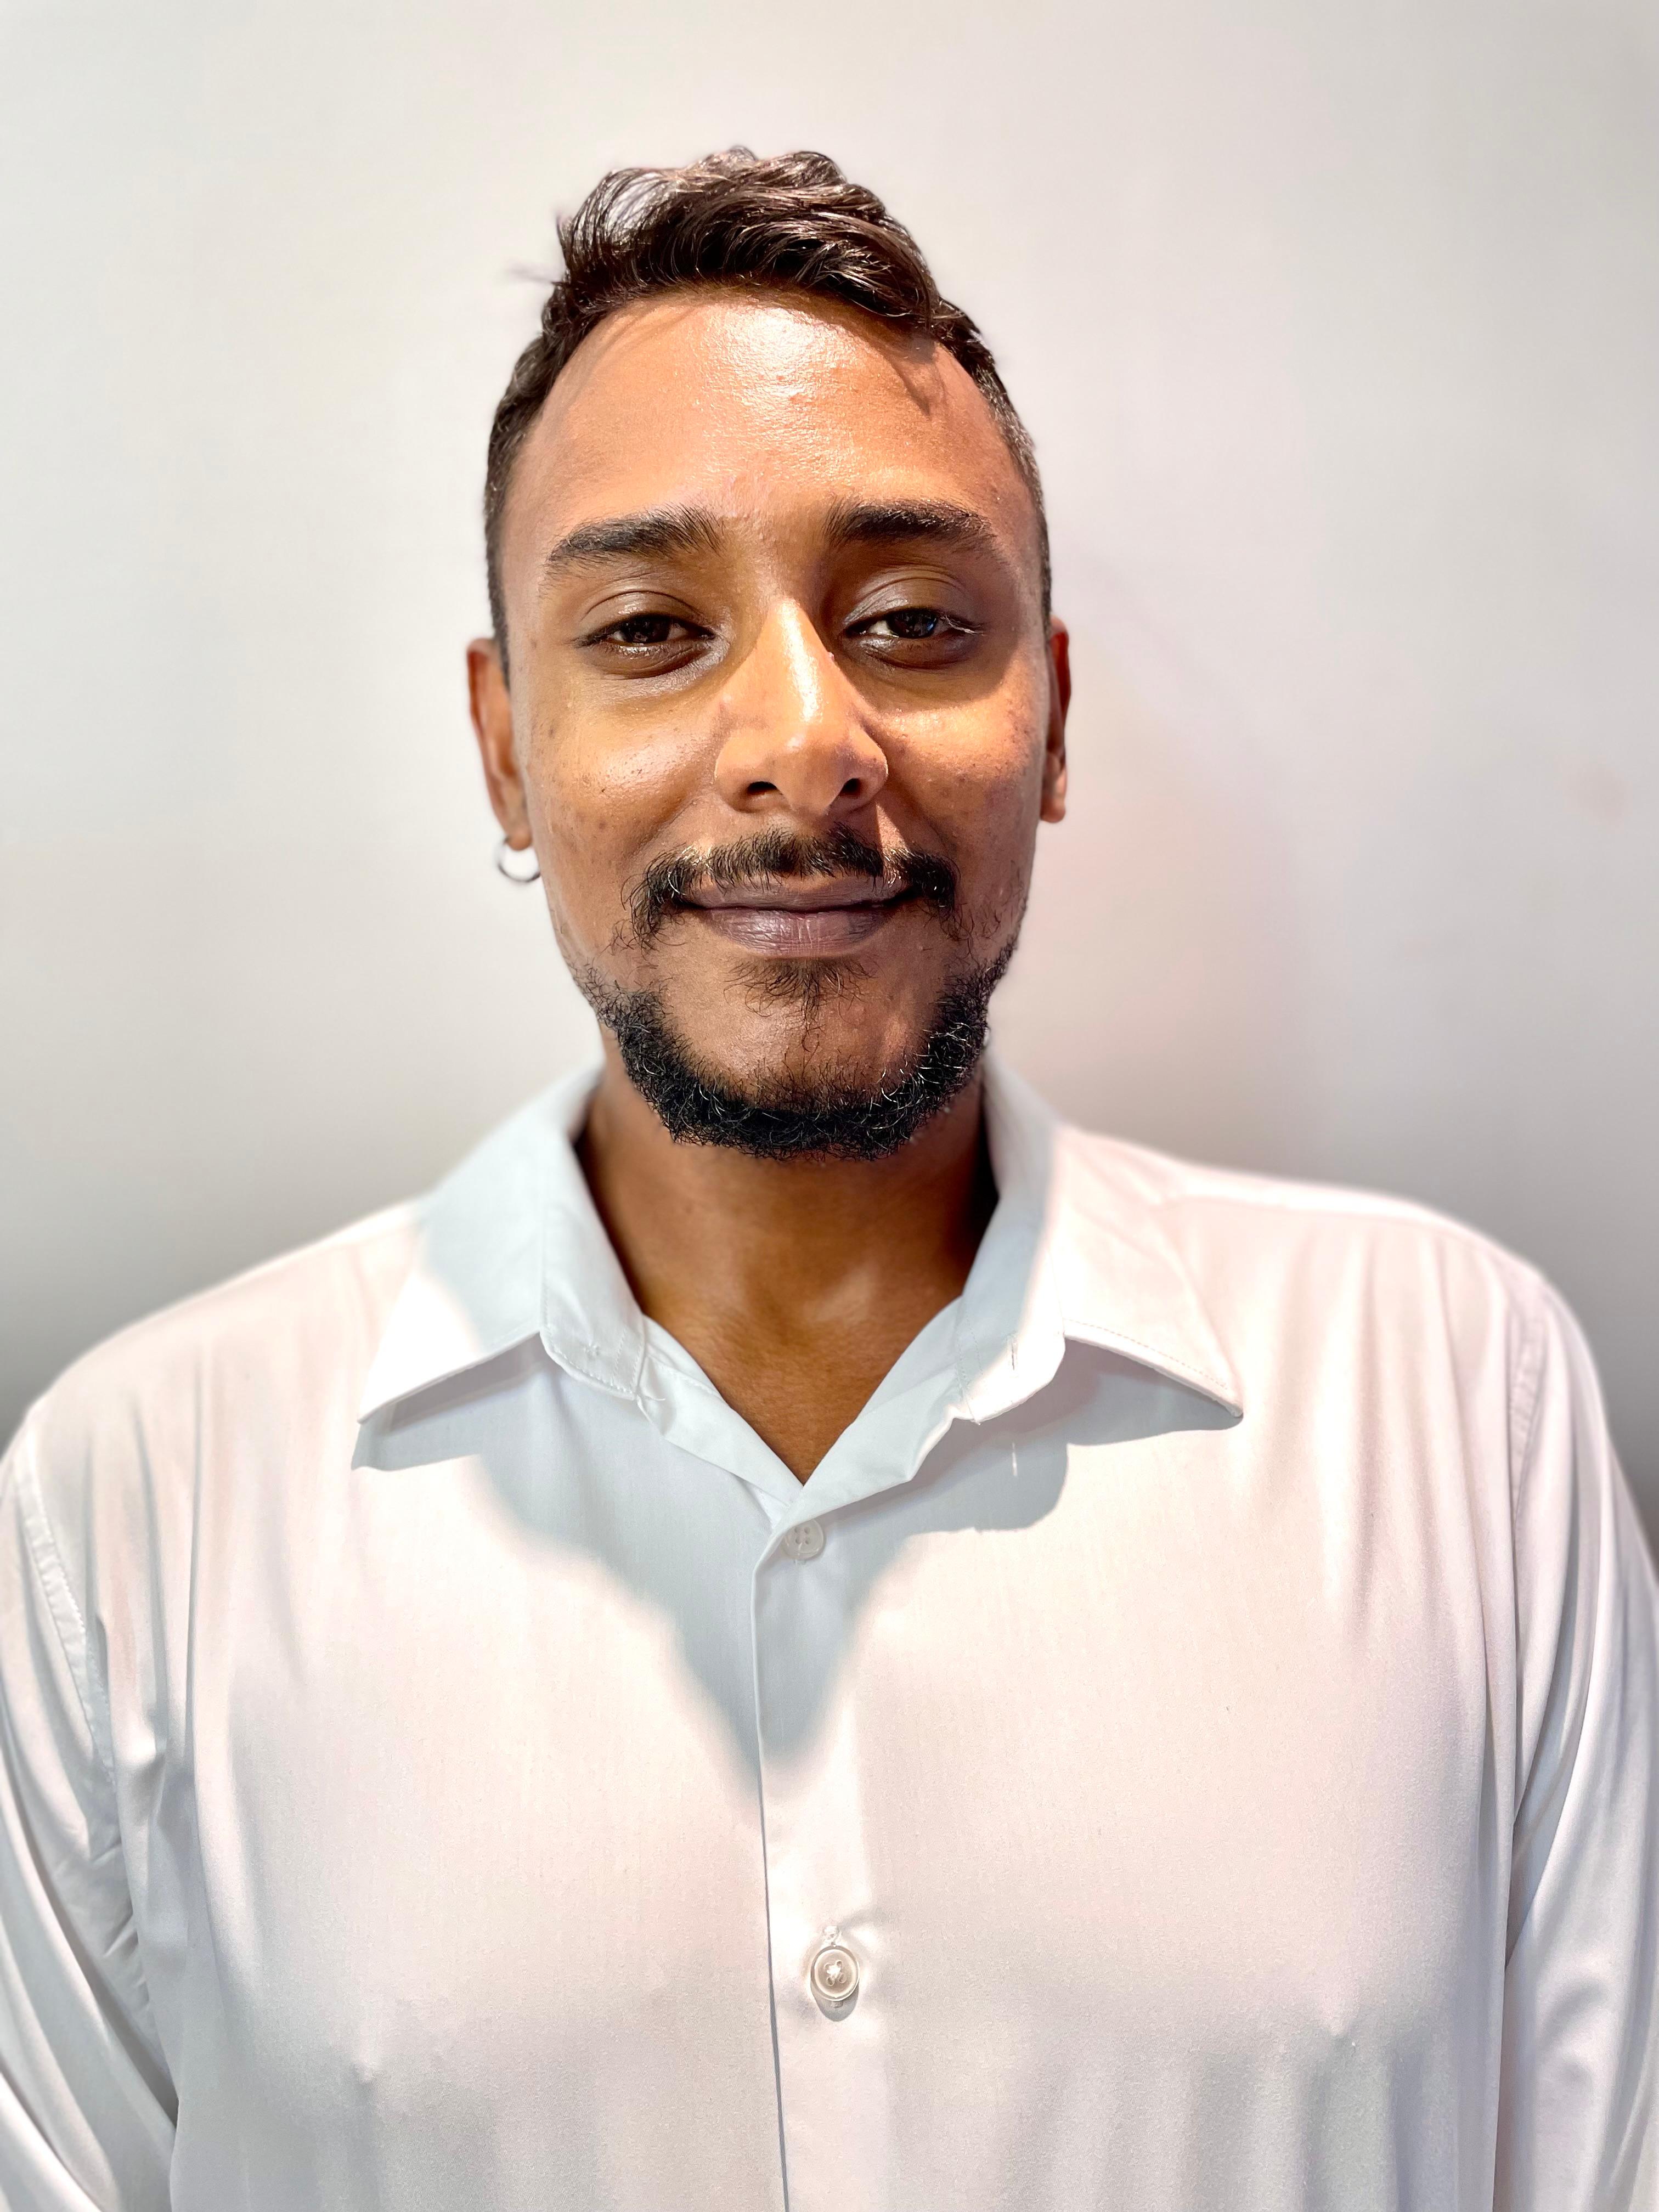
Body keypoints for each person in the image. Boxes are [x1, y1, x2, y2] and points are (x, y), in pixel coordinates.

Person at [0, 148, 1654, 2212]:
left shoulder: (1458, 1408)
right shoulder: (138, 1512)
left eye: (910, 620)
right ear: (505, 746)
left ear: (1053, 718)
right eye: (649, 628)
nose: (804, 739)